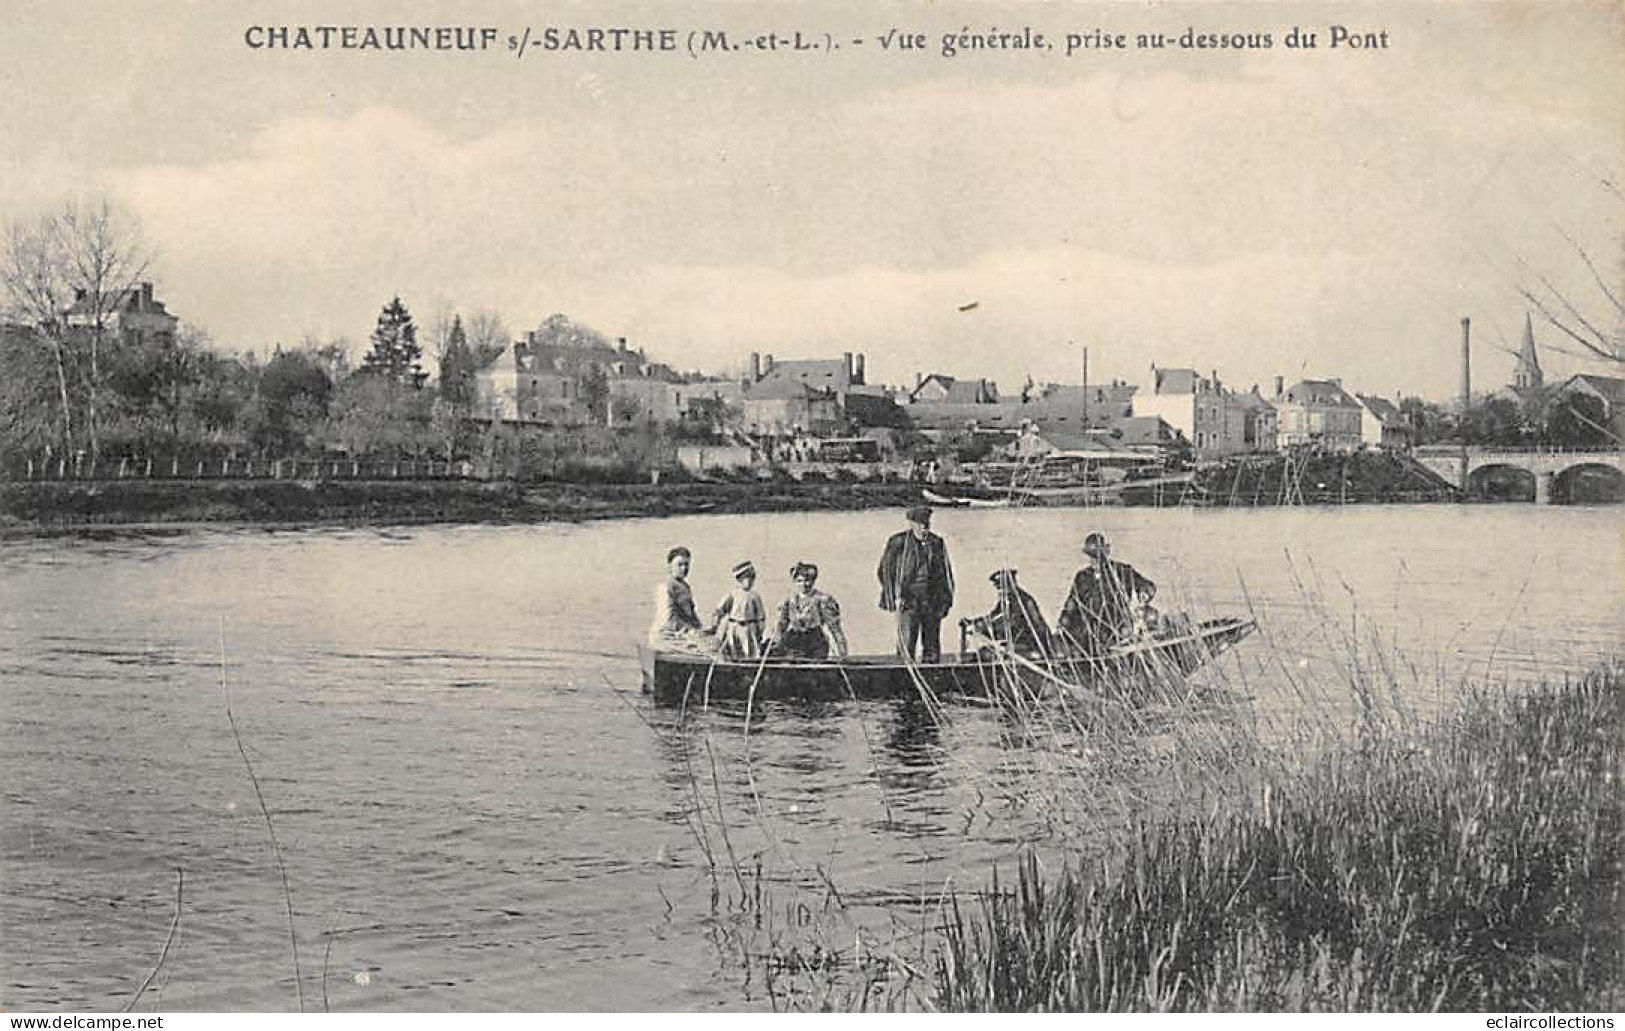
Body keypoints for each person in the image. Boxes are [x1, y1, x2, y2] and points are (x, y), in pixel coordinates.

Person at [1056, 532, 1157, 656]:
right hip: (1087, 631)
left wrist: (1144, 593)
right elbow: (1072, 602)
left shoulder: (1121, 571)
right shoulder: (1082, 577)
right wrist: (1063, 622)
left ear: (1105, 554)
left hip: (1115, 628)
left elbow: (1147, 586)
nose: (1094, 561)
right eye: (1091, 556)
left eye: (1097, 556)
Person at [877, 505, 954, 663]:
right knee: (906, 644)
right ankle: (905, 678)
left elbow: (945, 574)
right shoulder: (898, 542)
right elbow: (885, 571)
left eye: (926, 525)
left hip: (931, 600)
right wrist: (894, 598)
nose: (924, 529)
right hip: (908, 600)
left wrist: (946, 601)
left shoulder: (936, 543)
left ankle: (932, 675)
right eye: (920, 525)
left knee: (932, 644)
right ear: (911, 524)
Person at [770, 562, 849, 660]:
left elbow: (835, 628)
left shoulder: (822, 600)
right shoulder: (789, 601)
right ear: (794, 582)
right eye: (799, 581)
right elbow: (781, 626)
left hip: (815, 643)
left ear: (813, 581)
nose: (803, 584)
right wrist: (775, 644)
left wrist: (843, 654)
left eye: (807, 580)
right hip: (794, 642)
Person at [965, 568, 1052, 657]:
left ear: (1009, 585)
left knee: (986, 654)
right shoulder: (1007, 600)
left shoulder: (1023, 602)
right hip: (1016, 645)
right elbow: (994, 616)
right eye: (998, 588)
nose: (999, 592)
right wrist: (974, 622)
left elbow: (1010, 624)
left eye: (1000, 587)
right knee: (983, 653)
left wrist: (984, 628)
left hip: (1029, 647)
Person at [648, 547, 717, 655]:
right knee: (709, 650)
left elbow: (691, 614)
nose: (684, 568)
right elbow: (669, 618)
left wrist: (701, 629)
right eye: (679, 565)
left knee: (715, 642)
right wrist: (691, 631)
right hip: (668, 635)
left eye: (686, 564)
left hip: (682, 633)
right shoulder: (664, 587)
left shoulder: (685, 587)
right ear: (670, 566)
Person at [709, 560, 766, 659]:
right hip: (734, 627)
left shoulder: (755, 596)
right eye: (747, 579)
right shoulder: (733, 594)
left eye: (752, 579)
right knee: (733, 649)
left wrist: (760, 631)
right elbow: (720, 610)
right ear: (740, 579)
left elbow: (760, 616)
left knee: (749, 651)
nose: (750, 582)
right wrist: (715, 623)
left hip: (749, 628)